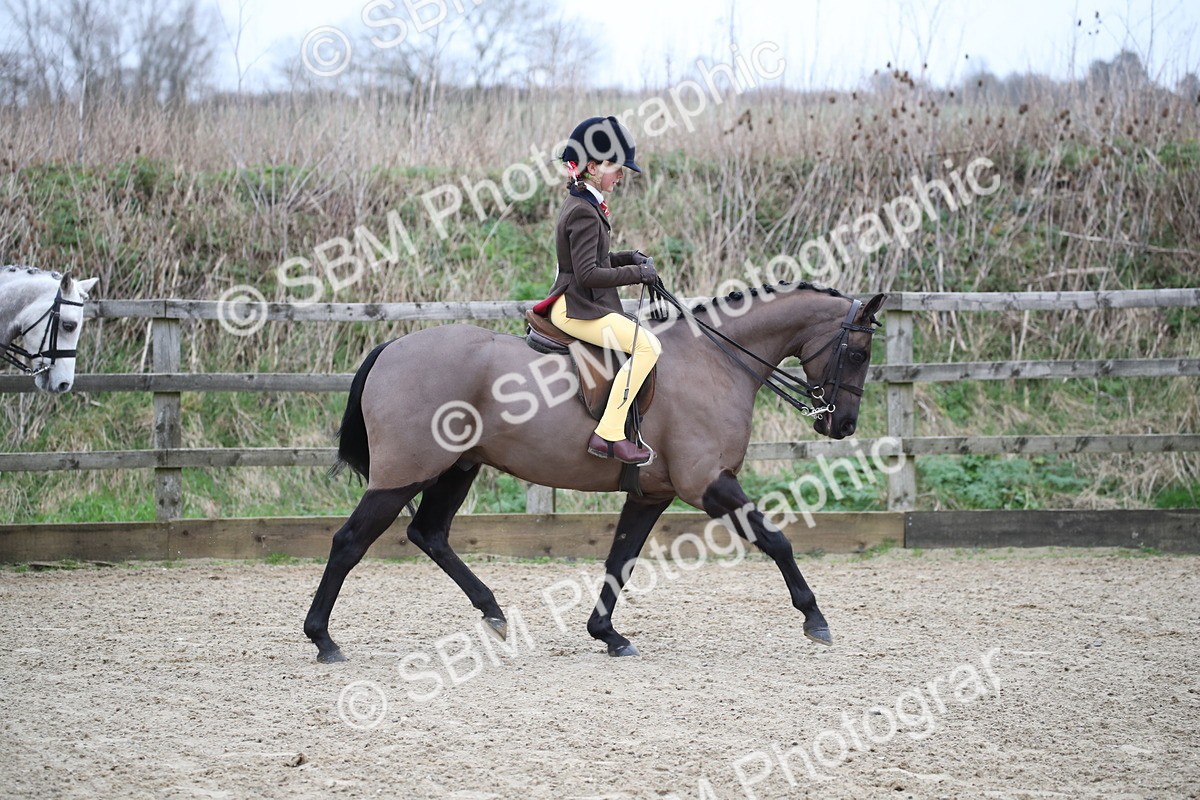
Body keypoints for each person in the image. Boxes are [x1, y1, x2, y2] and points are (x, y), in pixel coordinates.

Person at [536, 116, 660, 465]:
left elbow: (594, 259)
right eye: (616, 168)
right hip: (577, 306)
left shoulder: (584, 203)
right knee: (648, 346)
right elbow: (588, 274)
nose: (621, 175)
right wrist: (637, 274)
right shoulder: (584, 212)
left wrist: (629, 257)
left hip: (579, 301)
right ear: (592, 167)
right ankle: (609, 434)